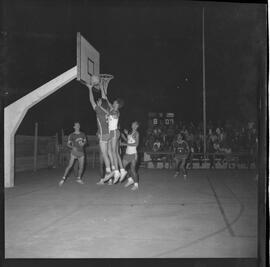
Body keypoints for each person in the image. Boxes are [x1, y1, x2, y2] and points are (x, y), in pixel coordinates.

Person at [87, 84, 114, 181]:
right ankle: (112, 174)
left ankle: (109, 172)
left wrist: (90, 89)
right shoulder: (109, 110)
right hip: (110, 134)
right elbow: (105, 98)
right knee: (110, 153)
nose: (97, 101)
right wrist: (102, 86)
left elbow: (91, 101)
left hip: (103, 134)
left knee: (104, 154)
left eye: (98, 101)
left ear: (100, 104)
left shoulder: (99, 110)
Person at [102, 96, 127, 184]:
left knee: (113, 152)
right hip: (113, 132)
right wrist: (104, 96)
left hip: (114, 132)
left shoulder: (116, 112)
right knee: (115, 153)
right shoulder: (113, 110)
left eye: (114, 102)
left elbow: (110, 113)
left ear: (117, 104)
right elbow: (109, 109)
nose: (112, 103)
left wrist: (102, 107)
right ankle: (122, 170)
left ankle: (116, 171)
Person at [120, 121, 140, 191]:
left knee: (133, 170)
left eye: (134, 124)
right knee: (123, 168)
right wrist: (124, 136)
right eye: (132, 124)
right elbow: (128, 141)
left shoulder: (136, 133)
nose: (132, 125)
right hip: (127, 153)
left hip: (133, 154)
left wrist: (125, 144)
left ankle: (136, 185)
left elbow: (136, 144)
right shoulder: (130, 132)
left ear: (137, 126)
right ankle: (130, 180)